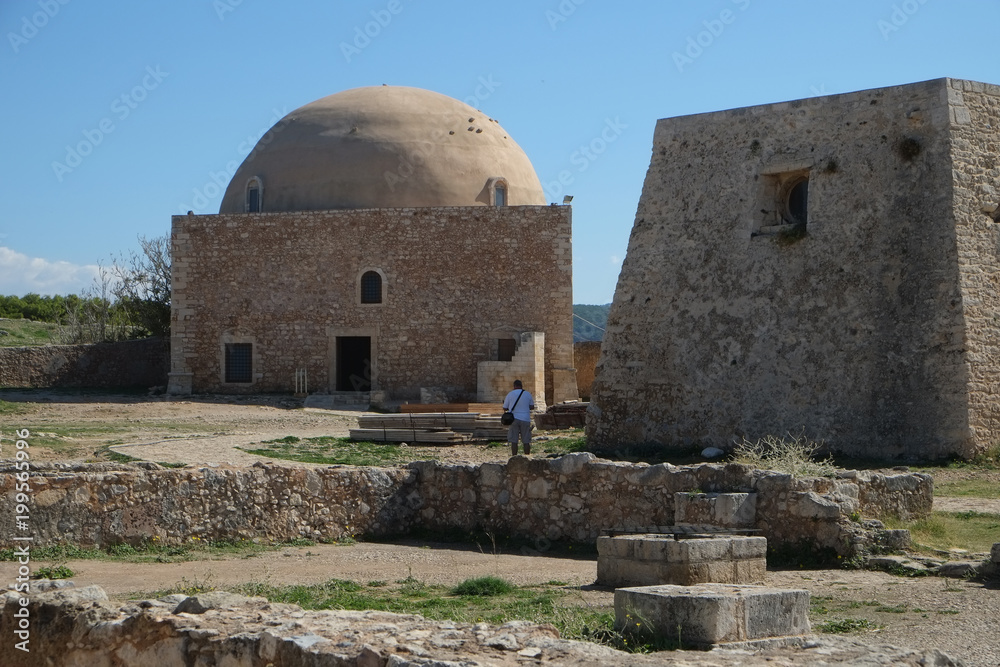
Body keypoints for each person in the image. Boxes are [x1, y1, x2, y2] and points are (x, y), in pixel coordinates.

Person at [502, 379, 535, 456]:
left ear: (514, 386)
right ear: (521, 386)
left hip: (514, 419)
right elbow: (532, 406)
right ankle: (527, 457)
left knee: (514, 440)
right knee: (526, 440)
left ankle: (514, 457)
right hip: (525, 419)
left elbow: (505, 408)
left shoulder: (510, 394)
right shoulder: (527, 394)